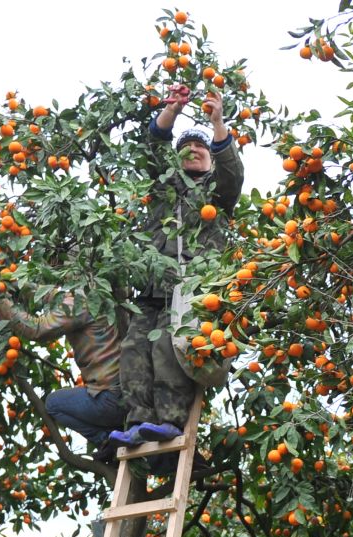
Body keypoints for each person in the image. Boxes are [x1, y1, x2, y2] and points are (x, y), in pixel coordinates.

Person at [111, 81, 244, 452]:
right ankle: (138, 420)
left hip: (190, 289)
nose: (194, 151)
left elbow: (233, 174)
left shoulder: (216, 193)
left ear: (211, 158)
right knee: (134, 350)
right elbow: (152, 148)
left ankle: (168, 420)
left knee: (169, 349)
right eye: (186, 147)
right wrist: (171, 108)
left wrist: (217, 123)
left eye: (201, 148)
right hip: (152, 287)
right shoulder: (163, 188)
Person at [0, 292, 128, 461]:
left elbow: (36, 329)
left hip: (111, 398)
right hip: (132, 395)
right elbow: (55, 294)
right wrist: (21, 286)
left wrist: (1, 302)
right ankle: (117, 434)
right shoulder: (106, 294)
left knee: (54, 403)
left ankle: (107, 439)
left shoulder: (81, 302)